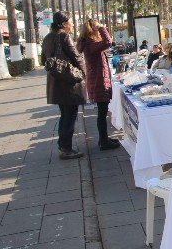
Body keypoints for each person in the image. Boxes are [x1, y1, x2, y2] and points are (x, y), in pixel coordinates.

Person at [40, 11, 86, 160]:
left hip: (56, 83)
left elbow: (43, 60)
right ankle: (66, 148)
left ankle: (63, 145)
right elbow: (77, 58)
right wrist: (85, 73)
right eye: (70, 22)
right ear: (64, 23)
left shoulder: (47, 38)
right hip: (68, 83)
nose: (72, 25)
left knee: (64, 115)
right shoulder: (64, 36)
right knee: (70, 116)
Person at [76, 19, 121, 151]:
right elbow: (108, 42)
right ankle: (103, 141)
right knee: (102, 113)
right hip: (98, 81)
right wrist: (102, 28)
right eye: (97, 28)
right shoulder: (90, 43)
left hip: (98, 80)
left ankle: (104, 138)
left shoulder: (89, 43)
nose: (99, 31)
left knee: (103, 112)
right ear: (92, 30)